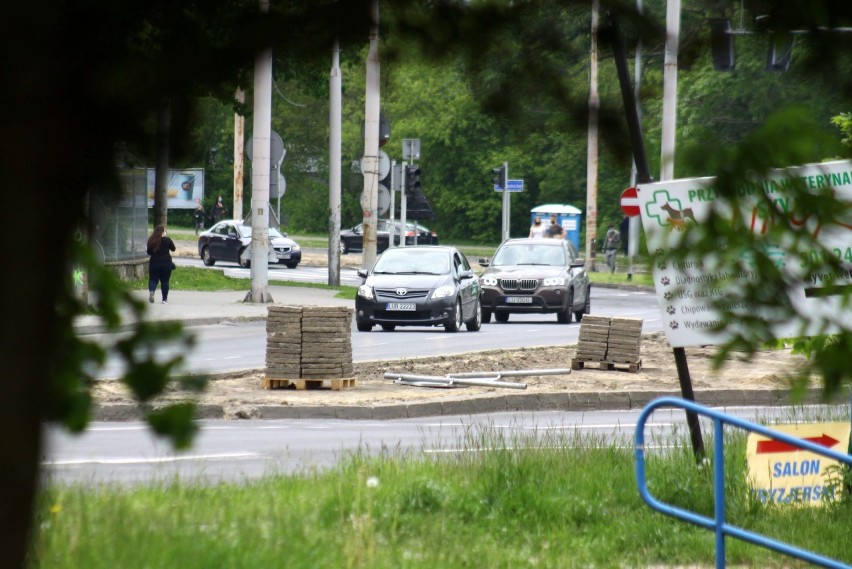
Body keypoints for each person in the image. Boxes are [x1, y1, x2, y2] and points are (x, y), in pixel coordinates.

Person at [146, 225, 176, 304]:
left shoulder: (152, 240)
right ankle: (164, 299)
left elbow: (148, 252)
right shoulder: (167, 240)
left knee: (153, 279)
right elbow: (173, 249)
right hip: (166, 263)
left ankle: (152, 291)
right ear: (162, 232)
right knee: (165, 281)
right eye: (165, 231)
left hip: (154, 263)